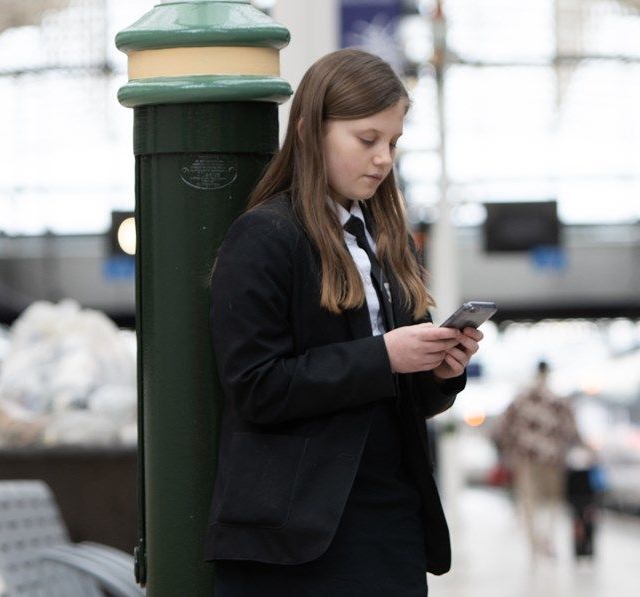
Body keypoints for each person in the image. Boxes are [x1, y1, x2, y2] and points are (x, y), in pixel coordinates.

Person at [204, 49, 483, 596]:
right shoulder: (264, 236)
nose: (383, 159)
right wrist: (386, 356)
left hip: (388, 517)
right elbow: (255, 386)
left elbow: (406, 397)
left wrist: (441, 369)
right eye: (366, 139)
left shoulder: (389, 241)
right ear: (310, 132)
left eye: (393, 143)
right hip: (295, 536)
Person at [494, 360, 580, 561]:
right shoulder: (559, 401)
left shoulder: (520, 400)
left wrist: (510, 451)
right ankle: (547, 538)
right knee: (552, 501)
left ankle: (534, 544)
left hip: (526, 459)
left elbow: (502, 430)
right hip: (553, 459)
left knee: (529, 502)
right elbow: (571, 431)